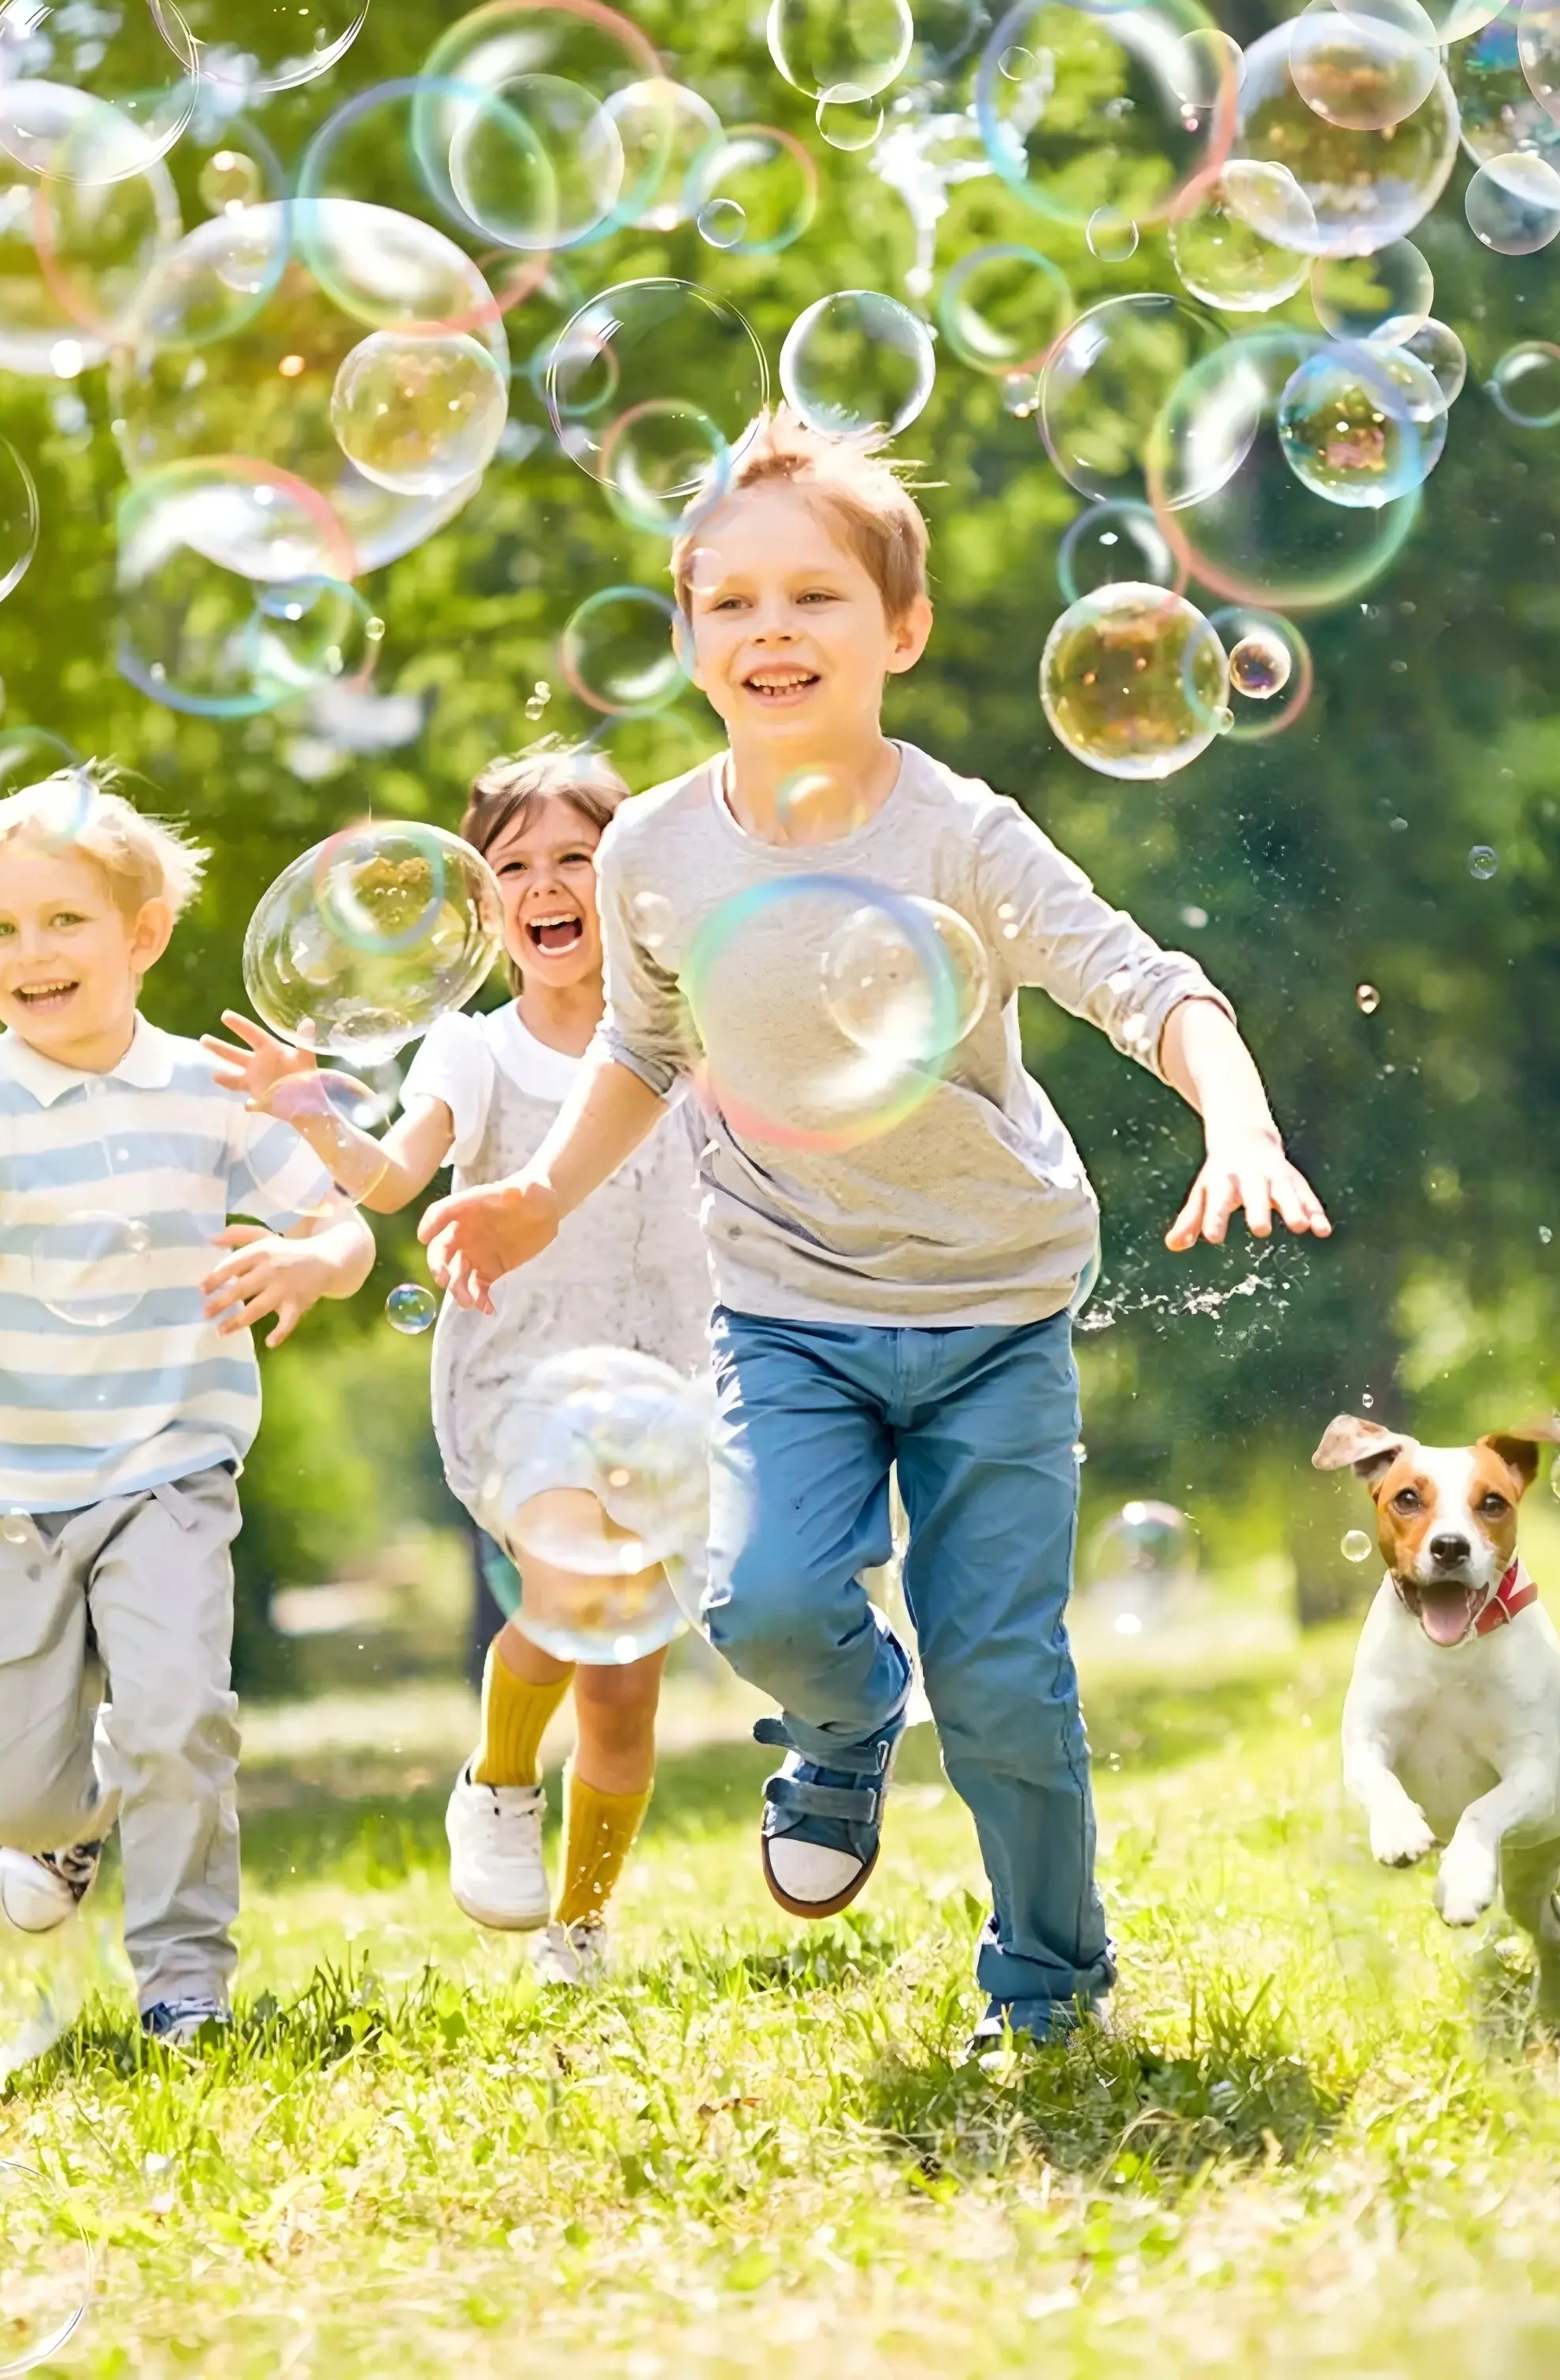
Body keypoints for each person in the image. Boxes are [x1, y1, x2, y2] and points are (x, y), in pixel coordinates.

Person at [419, 412, 1332, 2052]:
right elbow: (640, 1046)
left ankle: (1048, 1981)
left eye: (815, 598)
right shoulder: (654, 850)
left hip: (990, 1306)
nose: (771, 630)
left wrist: (1238, 1119)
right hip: (784, 1310)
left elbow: (1145, 983)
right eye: (731, 602)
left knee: (1006, 1678)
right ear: (691, 637)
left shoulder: (957, 834)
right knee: (760, 1599)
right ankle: (843, 1723)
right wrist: (539, 1193)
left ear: (898, 630)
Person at [0, 768, 376, 2049]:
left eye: (64, 921)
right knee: (24, 1795)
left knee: (180, 1715)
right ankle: (59, 1834)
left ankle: (184, 1983)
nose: (31, 954)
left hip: (167, 1467)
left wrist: (314, 1260)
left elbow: (341, 1223)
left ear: (141, 936)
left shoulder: (209, 1091)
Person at [206, 742, 713, 1989]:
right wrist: (314, 1114)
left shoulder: (693, 1031)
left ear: (629, 877)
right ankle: (495, 1782)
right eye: (516, 867)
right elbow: (389, 1179)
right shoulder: (470, 1053)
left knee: (625, 1696)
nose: (548, 887)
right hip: (526, 1380)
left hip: (676, 1384)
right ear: (487, 907)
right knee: (570, 1593)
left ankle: (580, 1925)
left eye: (577, 861)